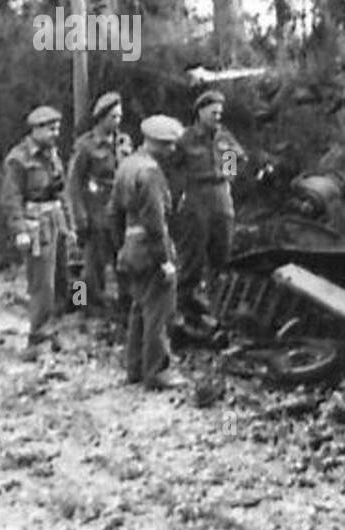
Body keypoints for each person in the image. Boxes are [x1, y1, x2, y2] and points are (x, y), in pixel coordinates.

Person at [110, 115, 184, 390]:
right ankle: (157, 371)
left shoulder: (127, 165)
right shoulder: (151, 173)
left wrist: (121, 245)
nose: (173, 151)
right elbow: (155, 223)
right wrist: (164, 259)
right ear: (157, 145)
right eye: (169, 145)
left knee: (139, 308)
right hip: (151, 249)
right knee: (159, 312)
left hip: (131, 247)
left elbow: (113, 212)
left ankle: (135, 367)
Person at [1, 105, 76, 357]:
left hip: (57, 221)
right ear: (36, 129)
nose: (56, 133)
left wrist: (70, 225)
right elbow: (11, 198)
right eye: (51, 129)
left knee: (61, 281)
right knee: (41, 284)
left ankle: (52, 330)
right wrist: (20, 230)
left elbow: (63, 192)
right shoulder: (19, 159)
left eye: (57, 128)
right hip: (36, 226)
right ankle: (37, 340)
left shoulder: (53, 155)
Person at [174, 89, 246, 319]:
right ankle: (184, 308)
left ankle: (218, 306)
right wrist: (179, 194)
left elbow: (235, 163)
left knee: (222, 252)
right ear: (200, 112)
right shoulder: (186, 138)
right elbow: (172, 168)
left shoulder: (225, 138)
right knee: (192, 255)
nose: (217, 116)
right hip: (197, 196)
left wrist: (229, 174)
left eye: (219, 112)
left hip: (221, 196)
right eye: (213, 111)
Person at [66, 90, 132, 312]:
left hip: (121, 211)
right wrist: (79, 218)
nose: (118, 121)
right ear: (102, 118)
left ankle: (124, 305)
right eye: (113, 117)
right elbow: (74, 184)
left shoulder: (124, 142)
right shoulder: (86, 146)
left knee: (124, 261)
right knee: (91, 267)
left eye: (120, 116)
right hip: (96, 211)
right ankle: (82, 305)